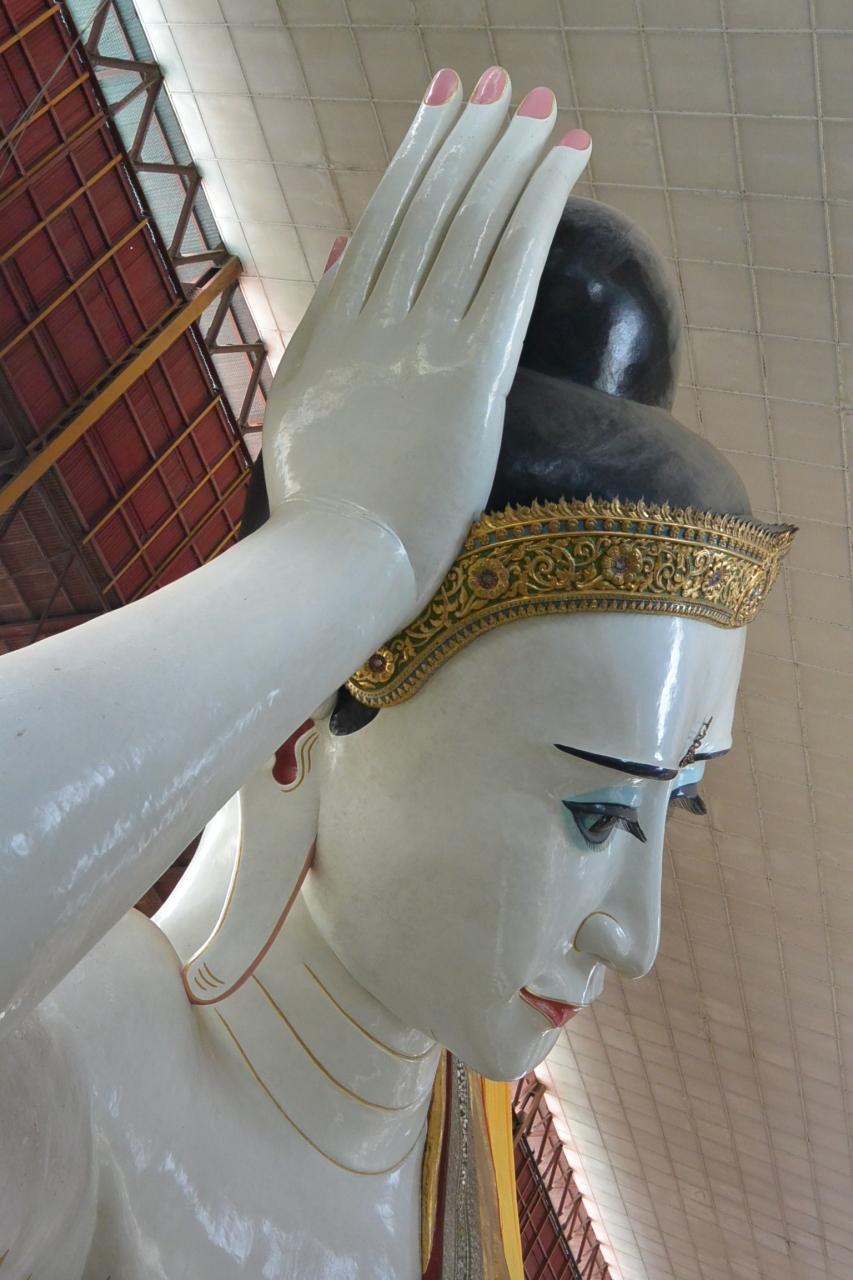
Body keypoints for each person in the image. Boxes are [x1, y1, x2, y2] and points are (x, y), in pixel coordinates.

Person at [0, 67, 791, 1278]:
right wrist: (343, 554)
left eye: (668, 803)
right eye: (594, 809)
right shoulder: (92, 1079)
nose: (631, 935)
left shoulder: (444, 1188)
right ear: (305, 723)